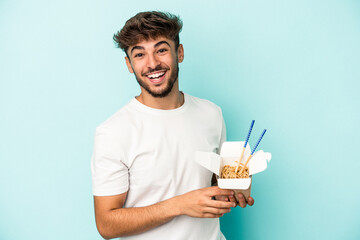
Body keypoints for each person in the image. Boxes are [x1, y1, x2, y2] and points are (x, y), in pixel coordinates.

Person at [91, 11, 254, 240]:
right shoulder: (113, 132)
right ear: (129, 64)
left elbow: (214, 186)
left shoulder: (212, 114)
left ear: (179, 52)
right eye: (139, 54)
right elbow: (107, 225)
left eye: (161, 50)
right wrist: (179, 205)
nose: (153, 63)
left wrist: (236, 189)